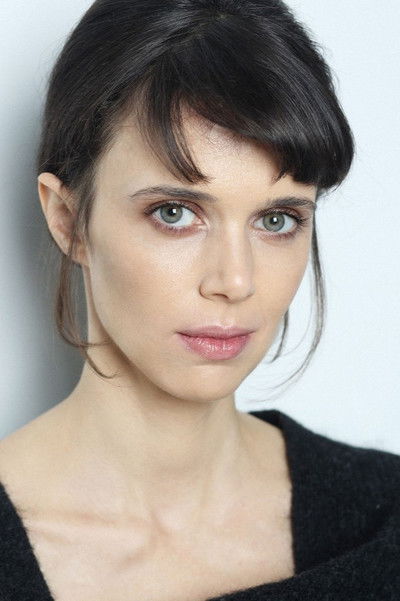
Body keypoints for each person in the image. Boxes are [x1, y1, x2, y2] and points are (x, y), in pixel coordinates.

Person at [0, 1, 399, 600]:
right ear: (67, 219)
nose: (235, 280)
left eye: (277, 219)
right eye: (174, 213)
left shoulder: (384, 520)